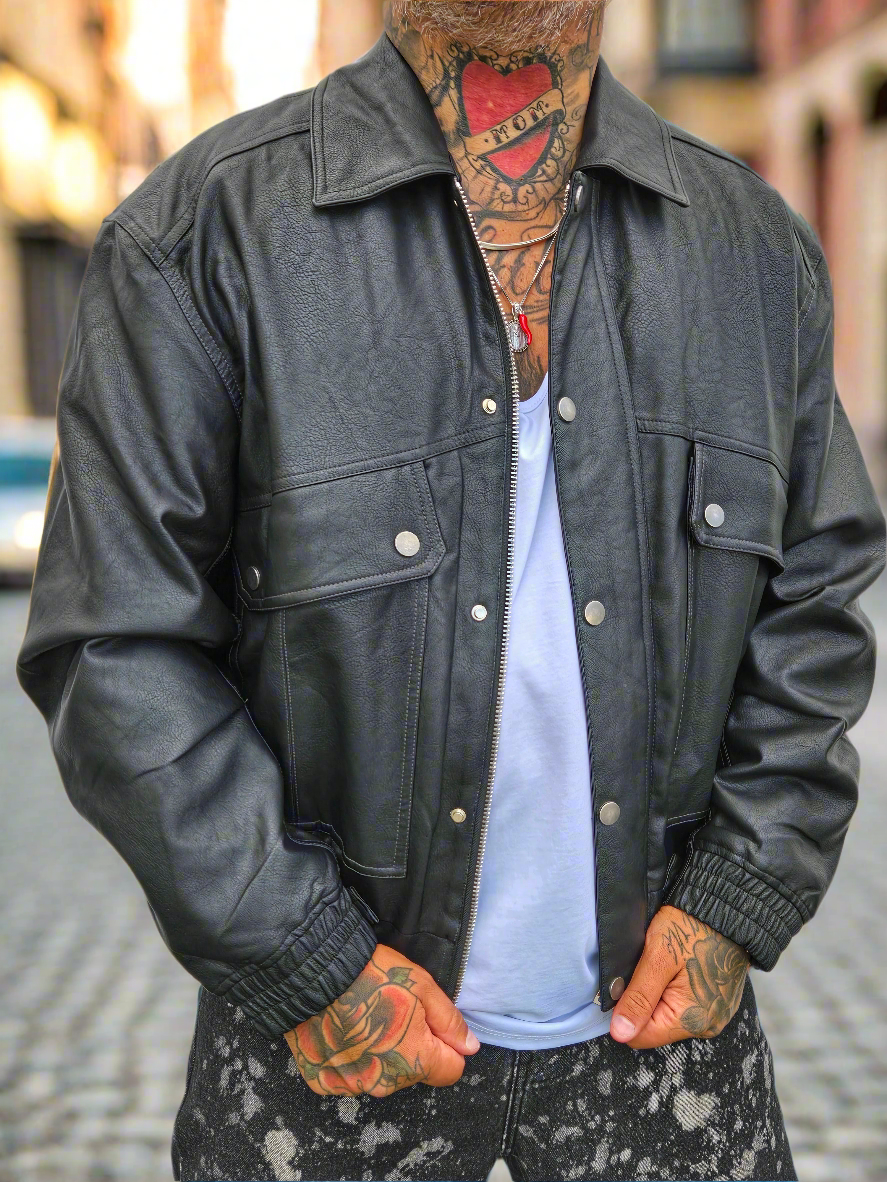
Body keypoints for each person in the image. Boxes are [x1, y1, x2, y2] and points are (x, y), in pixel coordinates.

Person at [18, 1, 885, 1179]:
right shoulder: (198, 238)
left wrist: (739, 892)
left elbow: (816, 599)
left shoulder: (751, 251)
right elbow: (114, 642)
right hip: (326, 1077)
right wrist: (302, 953)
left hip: (666, 1078)